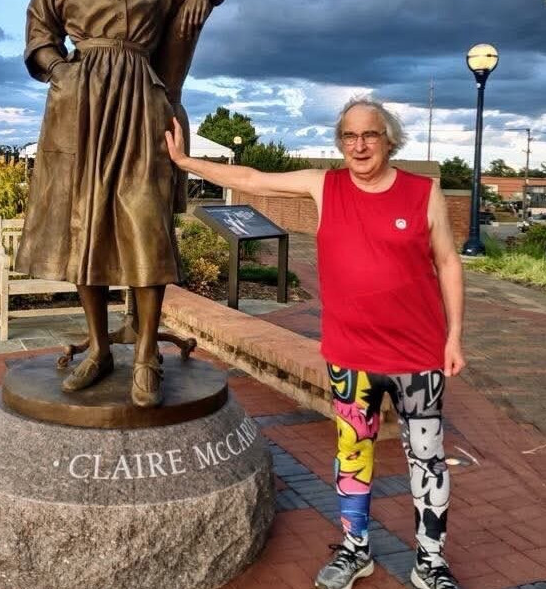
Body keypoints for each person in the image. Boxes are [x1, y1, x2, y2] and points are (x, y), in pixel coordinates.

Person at [166, 97, 465, 589]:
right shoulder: (325, 186)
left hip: (420, 356)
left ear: (389, 140)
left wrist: (454, 336)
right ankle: (356, 548)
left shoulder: (422, 192)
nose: (359, 145)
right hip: (350, 358)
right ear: (340, 142)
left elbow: (449, 263)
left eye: (369, 135)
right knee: (352, 452)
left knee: (427, 457)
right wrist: (183, 162)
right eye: (349, 136)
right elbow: (252, 179)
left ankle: (430, 560)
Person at [15, 0, 224, 407]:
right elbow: (38, 33)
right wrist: (62, 70)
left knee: (142, 217)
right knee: (85, 223)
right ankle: (100, 347)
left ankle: (149, 351)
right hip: (79, 104)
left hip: (140, 96)